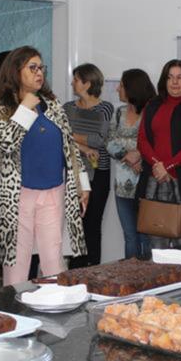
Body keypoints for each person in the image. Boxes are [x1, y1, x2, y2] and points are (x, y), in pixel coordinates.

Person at [0, 47, 89, 284]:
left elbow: (70, 147)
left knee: (54, 259)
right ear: (15, 71)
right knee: (17, 263)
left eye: (41, 68)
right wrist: (25, 107)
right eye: (32, 68)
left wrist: (83, 183)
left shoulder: (51, 103)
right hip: (18, 194)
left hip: (54, 189)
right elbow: (6, 143)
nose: (39, 73)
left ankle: (56, 303)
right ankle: (15, 304)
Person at [136, 60, 181, 248]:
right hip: (155, 181)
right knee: (156, 247)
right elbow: (142, 140)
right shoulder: (152, 105)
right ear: (164, 81)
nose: (174, 82)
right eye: (170, 77)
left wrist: (168, 166)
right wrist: (158, 165)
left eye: (180, 77)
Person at [65, 63, 114, 268]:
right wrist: (82, 143)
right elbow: (62, 137)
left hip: (99, 172)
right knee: (74, 224)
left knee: (93, 223)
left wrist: (72, 135)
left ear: (87, 83)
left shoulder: (105, 108)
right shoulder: (68, 108)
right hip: (73, 172)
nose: (72, 83)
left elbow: (100, 140)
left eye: (76, 79)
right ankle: (75, 270)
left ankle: (92, 269)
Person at [107, 69, 157, 259]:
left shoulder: (151, 112)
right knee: (130, 236)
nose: (118, 89)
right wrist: (128, 156)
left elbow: (156, 143)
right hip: (122, 186)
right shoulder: (119, 113)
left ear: (132, 88)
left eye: (121, 85)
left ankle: (148, 275)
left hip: (146, 185)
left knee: (146, 237)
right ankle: (130, 274)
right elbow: (109, 142)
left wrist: (140, 157)